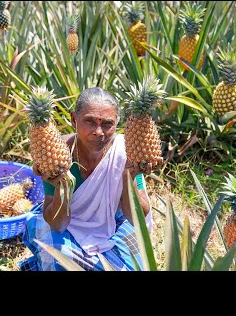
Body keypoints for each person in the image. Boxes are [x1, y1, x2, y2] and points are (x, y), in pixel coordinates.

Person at [19, 87, 162, 271]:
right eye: (90, 121)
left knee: (135, 267)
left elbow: (137, 218)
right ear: (73, 120)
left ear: (117, 123)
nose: (98, 132)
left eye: (107, 124)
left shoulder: (126, 151)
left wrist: (129, 176)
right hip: (67, 222)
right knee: (59, 259)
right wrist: (63, 187)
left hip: (113, 220)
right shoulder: (54, 154)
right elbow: (58, 224)